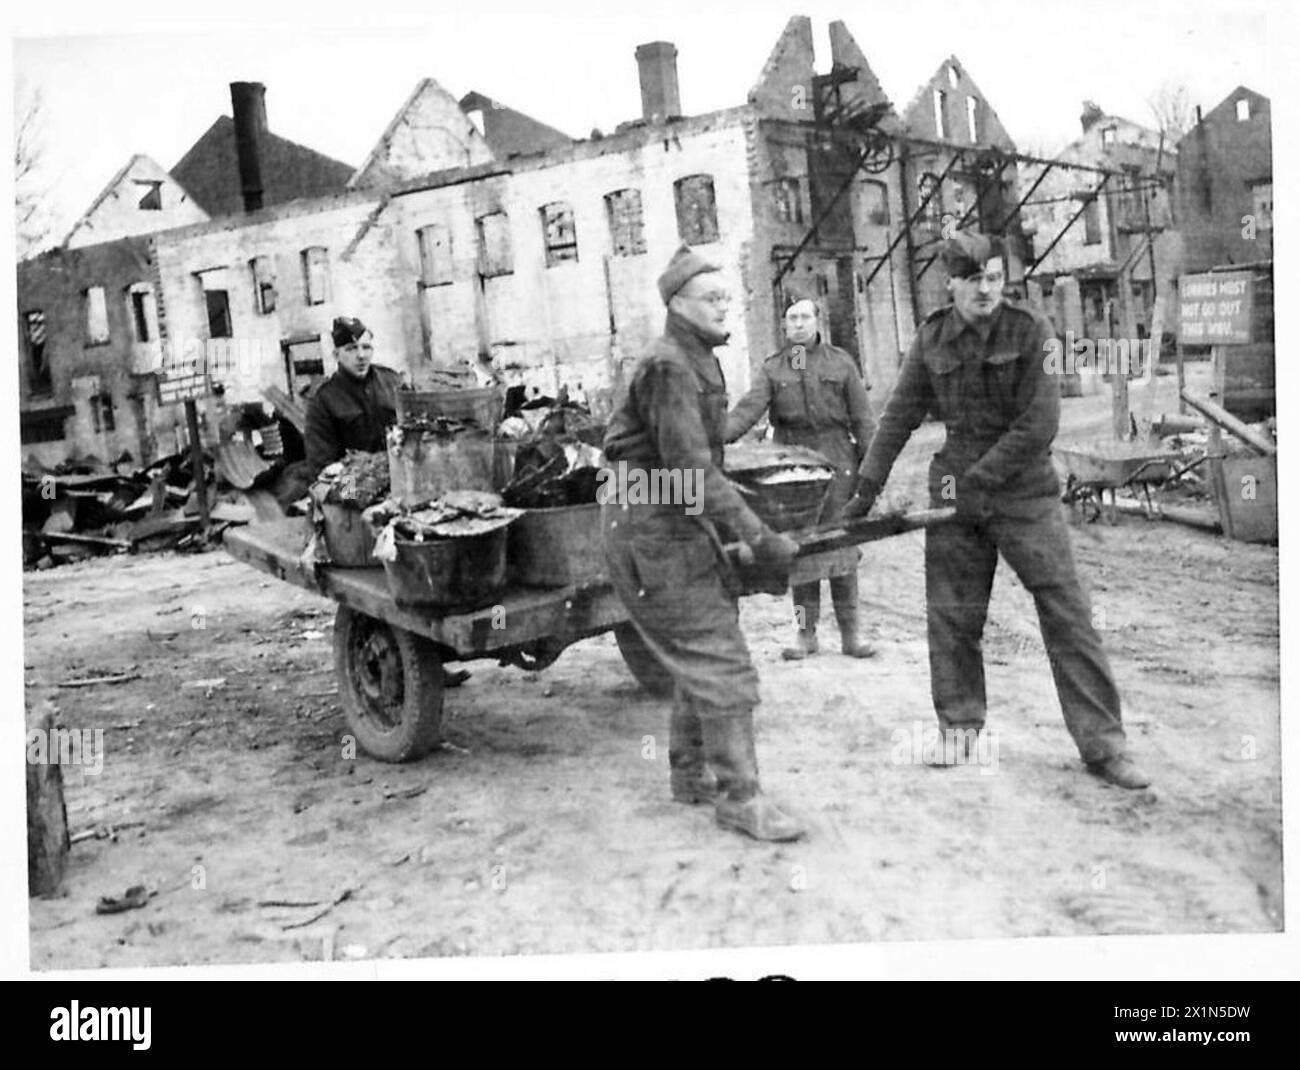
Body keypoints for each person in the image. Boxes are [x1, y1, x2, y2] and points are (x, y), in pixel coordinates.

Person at [843, 231, 1151, 790]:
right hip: (956, 487)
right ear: (951, 283)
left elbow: (1040, 424)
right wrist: (865, 489)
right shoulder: (932, 337)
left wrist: (977, 483)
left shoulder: (1032, 330)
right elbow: (898, 417)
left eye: (993, 277)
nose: (985, 289)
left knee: (1066, 611)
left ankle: (1104, 746)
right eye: (973, 279)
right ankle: (959, 729)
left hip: (1023, 488)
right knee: (953, 613)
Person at [602, 245, 807, 842]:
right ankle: (741, 798)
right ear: (677, 305)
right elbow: (691, 470)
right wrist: (758, 536)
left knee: (709, 631)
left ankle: (691, 774)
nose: (727, 308)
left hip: (671, 517)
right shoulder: (668, 366)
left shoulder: (697, 358)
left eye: (727, 298)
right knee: (720, 656)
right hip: (649, 527)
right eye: (713, 299)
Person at [726, 294, 878, 660]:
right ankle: (805, 634)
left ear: (817, 321)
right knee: (798, 548)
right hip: (793, 467)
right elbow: (748, 411)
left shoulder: (841, 363)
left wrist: (871, 472)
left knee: (841, 543)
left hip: (838, 460)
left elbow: (863, 420)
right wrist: (711, 438)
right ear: (783, 324)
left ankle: (851, 634)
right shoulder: (773, 369)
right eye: (792, 318)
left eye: (805, 317)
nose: (798, 324)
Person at [304, 317, 405, 475]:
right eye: (351, 349)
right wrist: (350, 496)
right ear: (336, 355)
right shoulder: (324, 400)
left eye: (366, 347)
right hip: (354, 483)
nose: (361, 355)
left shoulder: (394, 382)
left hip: (401, 476)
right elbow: (323, 463)